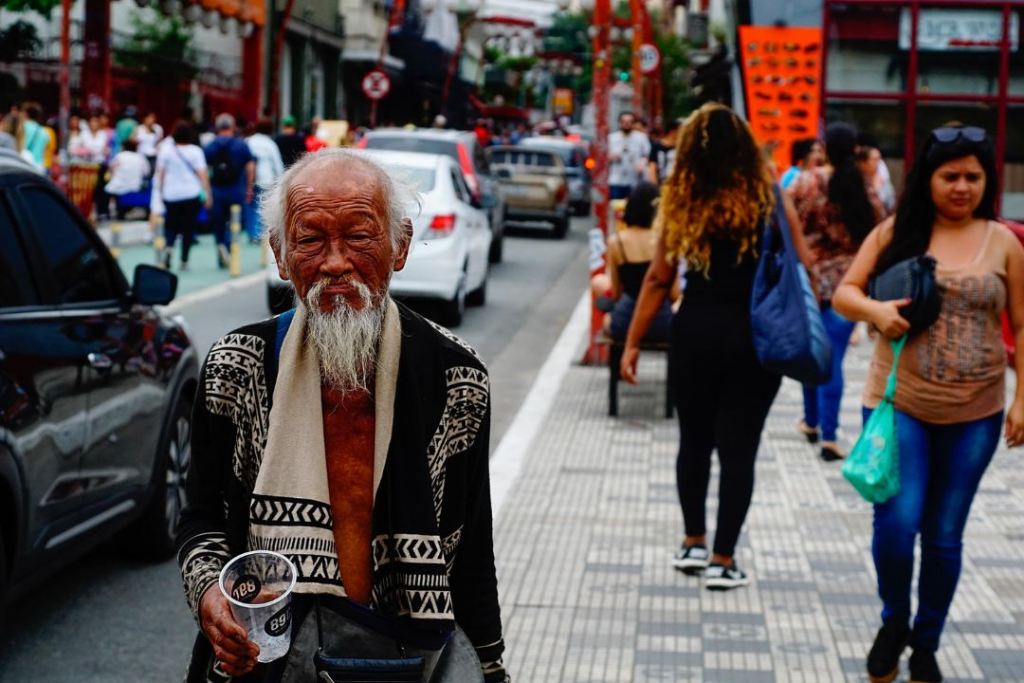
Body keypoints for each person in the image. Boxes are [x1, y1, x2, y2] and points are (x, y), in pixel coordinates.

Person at [176, 148, 509, 683]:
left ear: (399, 245)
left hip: (404, 661)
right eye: (310, 239)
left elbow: (471, 553)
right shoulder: (235, 367)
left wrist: (491, 669)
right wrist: (211, 594)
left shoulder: (457, 376)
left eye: (359, 235)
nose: (335, 262)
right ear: (281, 256)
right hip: (260, 659)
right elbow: (200, 517)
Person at [833, 126, 1024, 683]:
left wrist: (1021, 401)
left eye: (973, 176)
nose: (962, 187)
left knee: (943, 535)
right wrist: (875, 312)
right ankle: (894, 620)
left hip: (977, 414)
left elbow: (1022, 321)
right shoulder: (899, 232)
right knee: (897, 525)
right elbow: (846, 291)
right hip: (900, 406)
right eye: (950, 176)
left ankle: (926, 643)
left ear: (986, 180)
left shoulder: (1005, 241)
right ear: (929, 179)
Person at [621, 103, 811, 591]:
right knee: (739, 450)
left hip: (696, 335)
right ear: (745, 149)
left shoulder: (682, 201)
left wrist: (633, 343)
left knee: (694, 442)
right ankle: (724, 560)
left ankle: (692, 543)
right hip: (755, 339)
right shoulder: (770, 199)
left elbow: (660, 279)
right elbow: (802, 263)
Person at [788, 123, 884, 461]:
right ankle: (828, 433)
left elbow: (785, 225)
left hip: (809, 282)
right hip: (850, 285)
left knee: (811, 352)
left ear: (824, 148)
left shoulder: (805, 183)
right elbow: (879, 233)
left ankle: (812, 421)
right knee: (833, 359)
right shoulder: (863, 188)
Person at [592, 182, 678, 341]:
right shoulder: (666, 241)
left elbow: (616, 294)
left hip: (626, 321)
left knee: (606, 316)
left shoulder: (616, 242)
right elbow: (674, 293)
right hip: (662, 322)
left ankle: (616, 364)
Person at [156, 121, 211, 270]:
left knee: (171, 224)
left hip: (171, 193)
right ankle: (184, 259)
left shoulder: (166, 151)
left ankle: (168, 247)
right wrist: (207, 193)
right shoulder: (195, 151)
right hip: (191, 193)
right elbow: (202, 174)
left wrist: (161, 192)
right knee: (188, 227)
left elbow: (161, 174)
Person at [203, 113, 256, 268]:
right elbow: (250, 165)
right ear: (233, 127)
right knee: (235, 221)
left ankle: (221, 244)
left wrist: (206, 192)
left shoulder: (210, 146)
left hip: (217, 190)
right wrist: (249, 187)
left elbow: (203, 169)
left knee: (218, 222)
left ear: (217, 127)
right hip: (236, 189)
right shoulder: (241, 145)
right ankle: (231, 247)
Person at [245, 118, 284, 243]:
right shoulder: (270, 144)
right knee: (261, 207)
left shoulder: (248, 141)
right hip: (266, 180)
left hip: (249, 180)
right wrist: (281, 180)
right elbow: (277, 164)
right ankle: (258, 235)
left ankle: (251, 233)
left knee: (250, 207)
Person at [104, 137, 151, 219]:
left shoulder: (119, 156)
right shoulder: (141, 157)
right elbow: (147, 173)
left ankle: (104, 213)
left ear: (123, 147)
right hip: (135, 187)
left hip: (118, 188)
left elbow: (110, 170)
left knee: (106, 188)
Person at [608, 111, 650, 200]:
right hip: (616, 178)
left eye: (630, 122)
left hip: (634, 179)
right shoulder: (611, 138)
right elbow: (605, 156)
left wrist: (642, 163)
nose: (627, 124)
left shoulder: (641, 137)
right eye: (624, 122)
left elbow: (647, 154)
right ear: (620, 123)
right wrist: (611, 157)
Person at [646, 118, 683, 185]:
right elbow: (652, 167)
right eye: (681, 130)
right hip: (661, 182)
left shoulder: (681, 147)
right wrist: (654, 185)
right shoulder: (657, 146)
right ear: (673, 131)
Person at [19, 102, 47, 169]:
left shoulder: (24, 127)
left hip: (26, 165)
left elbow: (20, 147)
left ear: (25, 114)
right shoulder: (43, 131)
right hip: (40, 167)